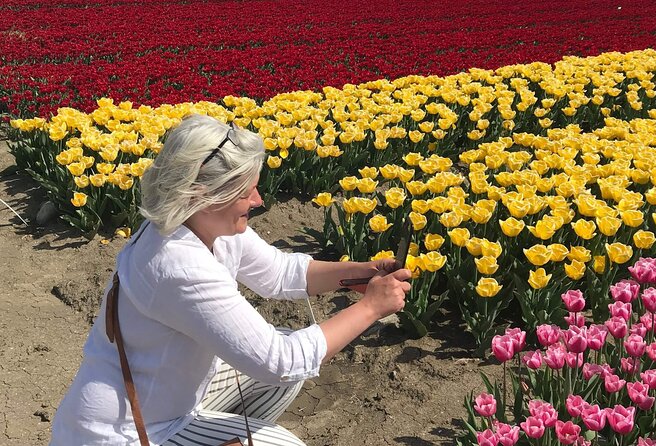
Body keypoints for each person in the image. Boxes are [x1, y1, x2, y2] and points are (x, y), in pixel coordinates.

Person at [50, 114, 411, 445]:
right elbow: (279, 363)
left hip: (162, 398)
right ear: (203, 195)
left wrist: (360, 273)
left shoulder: (202, 224)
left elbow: (280, 272)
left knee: (286, 360)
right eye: (245, 192)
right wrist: (371, 308)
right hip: (124, 431)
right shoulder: (177, 264)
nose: (258, 199)